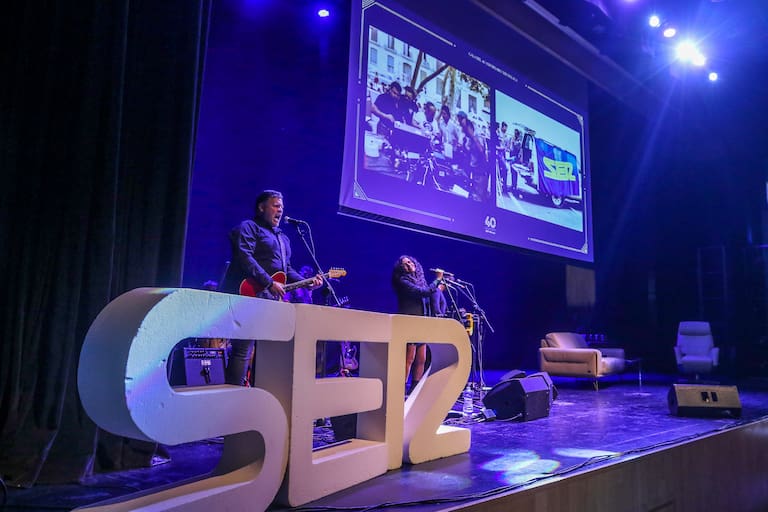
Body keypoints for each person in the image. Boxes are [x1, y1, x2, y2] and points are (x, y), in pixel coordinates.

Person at [221, 189, 322, 386]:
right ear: (261, 207)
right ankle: (232, 393)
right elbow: (244, 257)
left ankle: (260, 392)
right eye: (276, 206)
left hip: (269, 299)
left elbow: (286, 269)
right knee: (243, 348)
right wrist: (268, 282)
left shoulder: (283, 238)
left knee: (268, 350)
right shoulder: (249, 227)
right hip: (247, 294)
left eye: (282, 207)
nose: (280, 210)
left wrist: (307, 282)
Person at [391, 255, 446, 394]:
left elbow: (429, 293)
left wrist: (438, 289)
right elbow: (423, 292)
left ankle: (414, 388)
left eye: (410, 262)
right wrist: (437, 279)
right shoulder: (402, 281)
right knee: (409, 358)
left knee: (422, 358)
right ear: (401, 268)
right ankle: (399, 389)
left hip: (422, 321)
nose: (409, 265)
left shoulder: (420, 279)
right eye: (405, 264)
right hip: (410, 322)